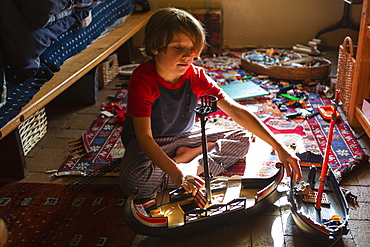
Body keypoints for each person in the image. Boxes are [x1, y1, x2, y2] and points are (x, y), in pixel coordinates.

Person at [119, 7, 302, 200]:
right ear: (155, 47)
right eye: (177, 47)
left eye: (191, 48)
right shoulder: (142, 80)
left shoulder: (196, 76)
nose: (187, 56)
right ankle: (188, 162)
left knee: (243, 138)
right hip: (153, 142)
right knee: (134, 182)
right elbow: (145, 138)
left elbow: (236, 111)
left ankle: (190, 162)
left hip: (185, 134)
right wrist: (179, 175)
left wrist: (280, 147)